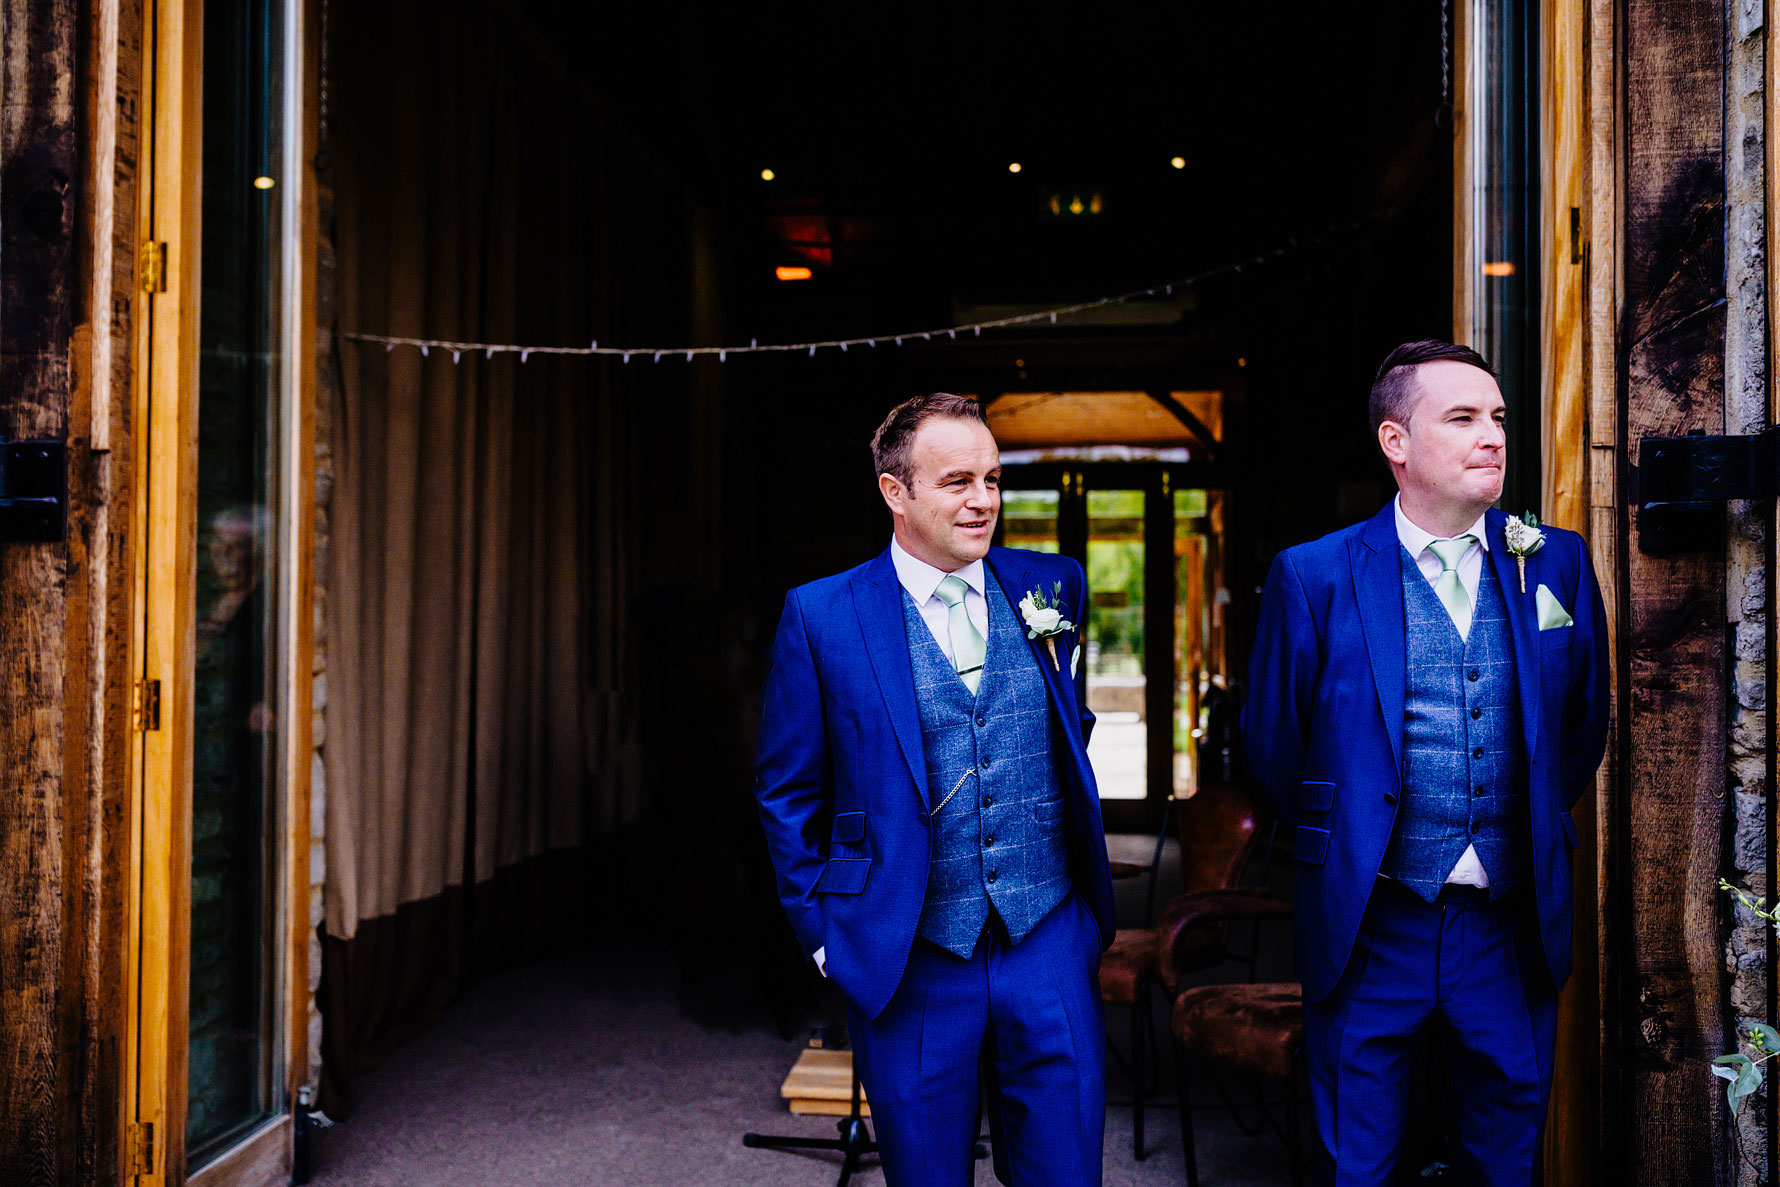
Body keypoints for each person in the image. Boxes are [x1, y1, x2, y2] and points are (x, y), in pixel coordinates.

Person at [1242, 340, 1610, 1184]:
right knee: (1359, 1166)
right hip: (1372, 925)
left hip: (1508, 928)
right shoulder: (1316, 574)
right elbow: (1276, 748)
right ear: (1395, 442)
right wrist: (1357, 848)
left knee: (1505, 1160)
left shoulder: (1553, 561)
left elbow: (1579, 727)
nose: (1493, 436)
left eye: (1499, 419)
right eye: (1463, 418)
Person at [755, 392, 1115, 1186]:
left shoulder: (1055, 586)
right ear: (896, 492)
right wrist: (828, 936)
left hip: (1048, 936)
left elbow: (1067, 726)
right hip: (909, 951)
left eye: (992, 478)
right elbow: (787, 790)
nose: (983, 499)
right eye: (956, 481)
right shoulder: (822, 616)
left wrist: (1082, 916)